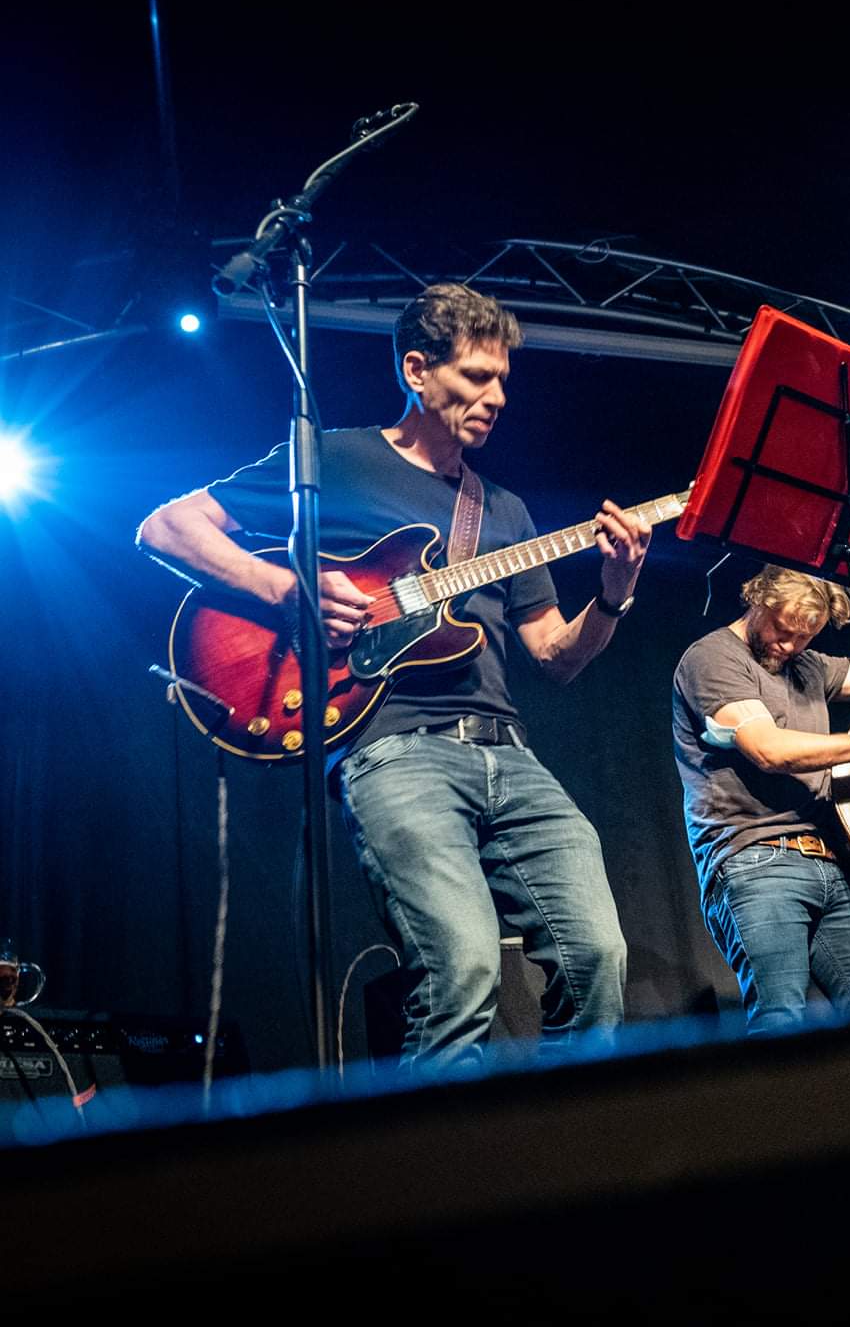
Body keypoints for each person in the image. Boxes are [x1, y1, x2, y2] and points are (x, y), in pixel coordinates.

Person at [137, 283, 649, 1068]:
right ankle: (435, 1172)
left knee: (598, 961)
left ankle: (556, 1152)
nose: (498, 396)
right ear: (417, 369)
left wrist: (613, 595)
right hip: (392, 748)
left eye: (504, 379)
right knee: (463, 971)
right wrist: (288, 590)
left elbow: (554, 655)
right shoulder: (335, 459)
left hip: (511, 756)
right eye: (478, 377)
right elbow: (167, 526)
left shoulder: (503, 509)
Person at [671, 565, 850, 1031]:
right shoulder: (713, 658)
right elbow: (769, 750)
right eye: (782, 630)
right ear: (757, 597)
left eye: (805, 636)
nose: (789, 646)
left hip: (832, 866)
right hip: (756, 862)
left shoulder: (808, 666)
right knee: (781, 1021)